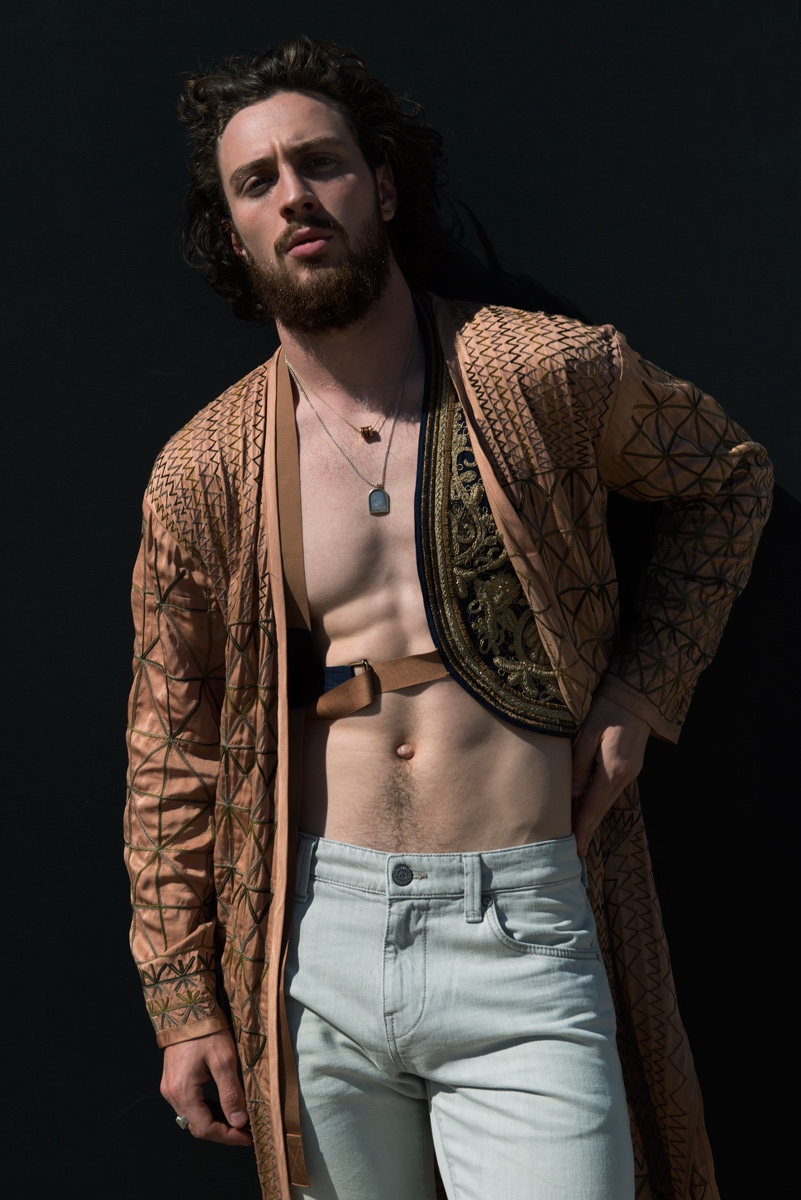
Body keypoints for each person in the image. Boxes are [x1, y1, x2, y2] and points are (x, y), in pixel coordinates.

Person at [124, 35, 772, 1200]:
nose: (293, 195)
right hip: (314, 949)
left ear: (381, 184)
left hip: (521, 931)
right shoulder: (204, 471)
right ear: (235, 232)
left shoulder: (537, 372)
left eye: (320, 162)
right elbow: (171, 746)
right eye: (257, 181)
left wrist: (643, 690)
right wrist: (184, 1005)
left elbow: (728, 482)